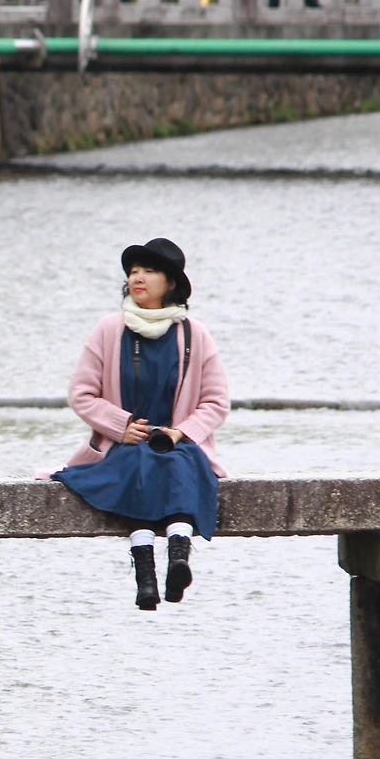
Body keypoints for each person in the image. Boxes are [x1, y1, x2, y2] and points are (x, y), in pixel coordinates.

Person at [48, 239, 230, 611]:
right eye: (133, 272)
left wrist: (182, 432)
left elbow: (216, 402)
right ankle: (145, 575)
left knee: (180, 462)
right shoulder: (108, 329)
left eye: (149, 271)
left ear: (171, 283)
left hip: (176, 443)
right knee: (135, 464)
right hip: (124, 445)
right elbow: (81, 393)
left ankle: (178, 559)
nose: (138, 278)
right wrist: (121, 427)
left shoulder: (194, 334)